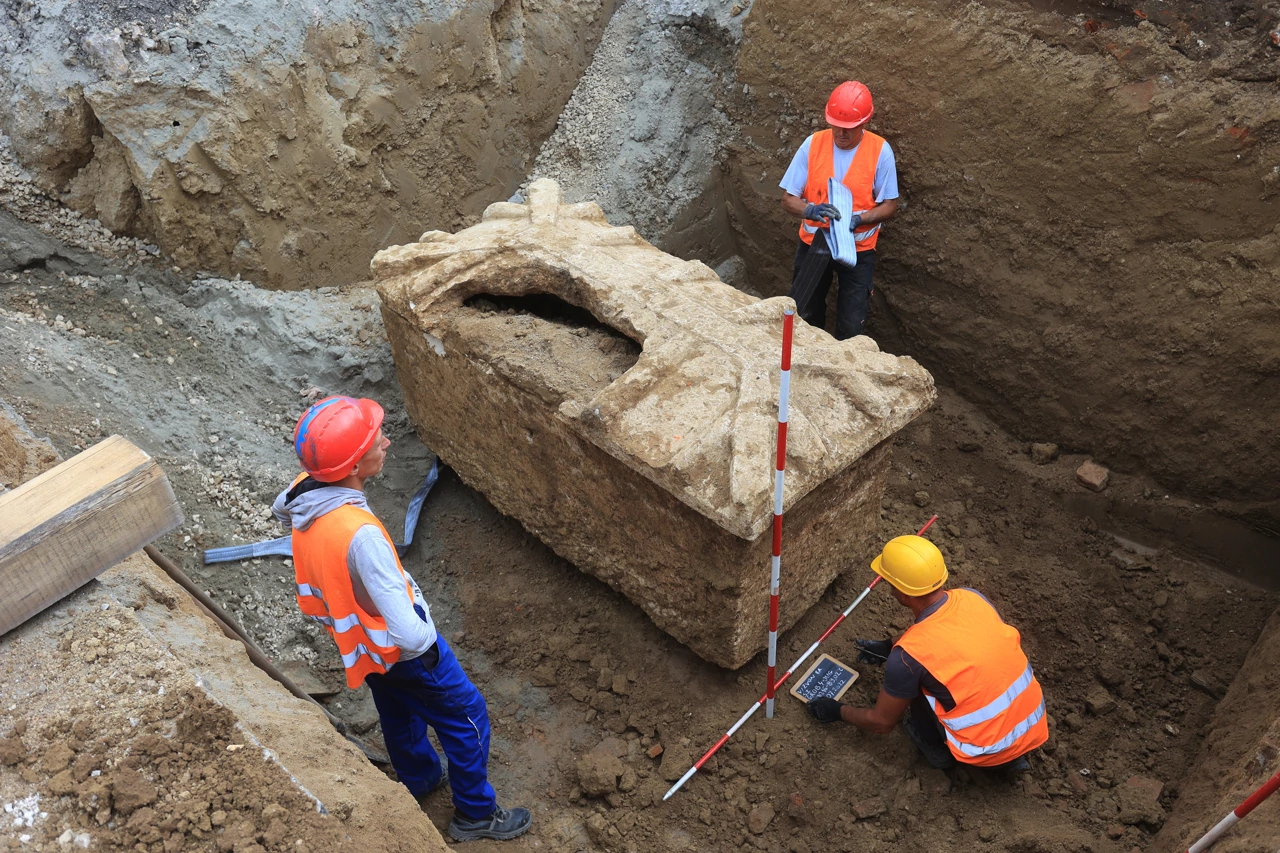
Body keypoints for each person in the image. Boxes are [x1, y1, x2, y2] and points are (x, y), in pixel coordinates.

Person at [274, 395, 532, 842]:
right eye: (377, 440)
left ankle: (419, 779)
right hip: (405, 651)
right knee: (468, 715)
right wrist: (424, 633)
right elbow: (410, 636)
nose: (387, 442)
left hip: (362, 645)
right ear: (355, 466)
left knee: (398, 714)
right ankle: (475, 813)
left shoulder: (303, 491)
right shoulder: (361, 535)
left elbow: (281, 508)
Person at [808, 535, 1048, 772]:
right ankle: (1012, 756)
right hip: (1031, 723)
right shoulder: (972, 597)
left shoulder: (907, 658)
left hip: (983, 748)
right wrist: (888, 644)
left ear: (903, 593)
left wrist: (836, 711)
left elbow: (881, 723)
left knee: (918, 685)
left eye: (889, 583)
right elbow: (950, 635)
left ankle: (936, 749)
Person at [779, 80, 899, 340]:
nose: (841, 135)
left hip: (857, 250)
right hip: (815, 244)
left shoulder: (880, 151)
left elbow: (890, 204)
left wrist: (860, 219)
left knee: (852, 326)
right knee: (804, 315)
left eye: (849, 129)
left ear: (864, 124)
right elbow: (788, 199)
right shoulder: (813, 145)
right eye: (836, 127)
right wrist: (810, 211)